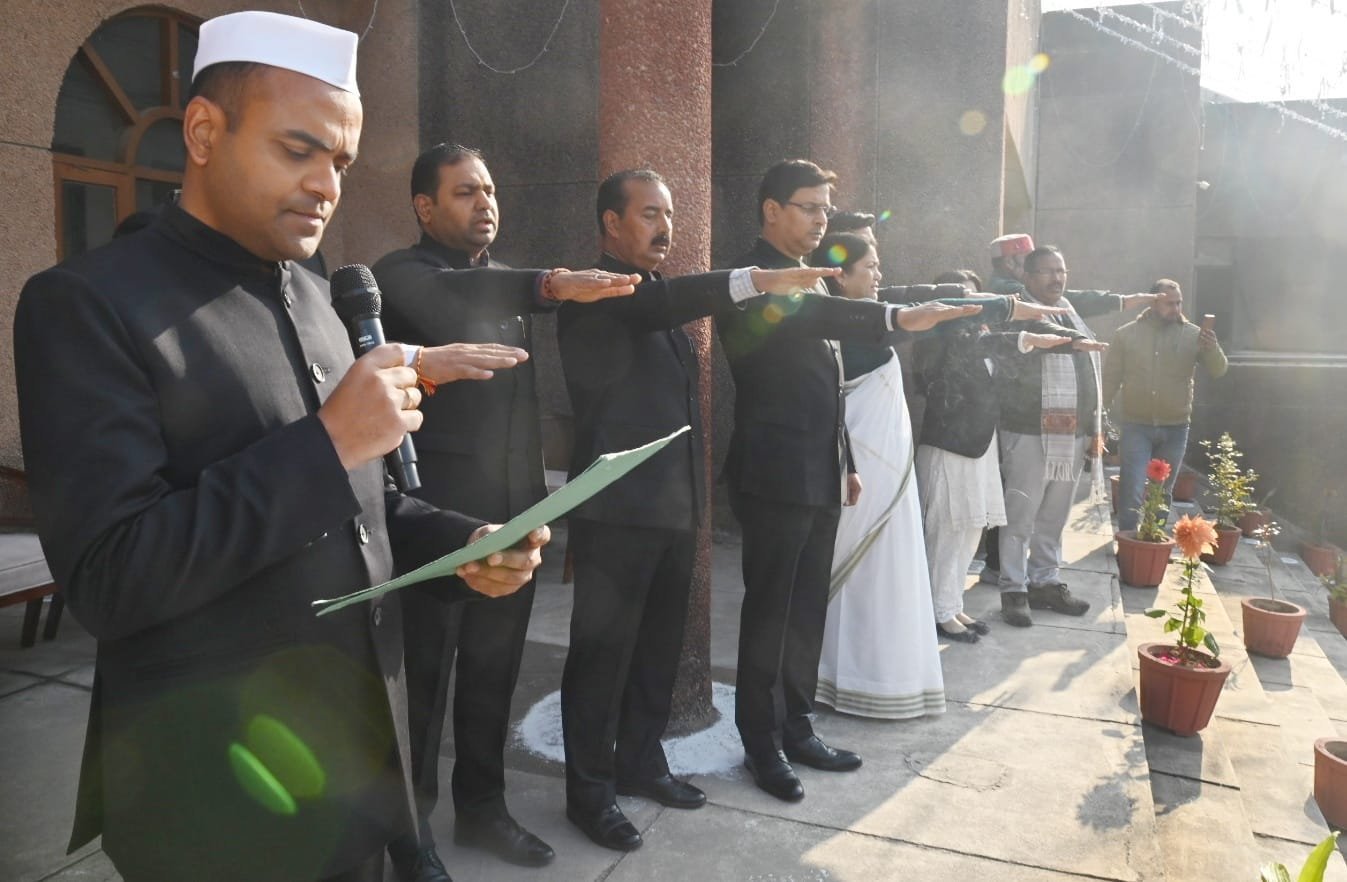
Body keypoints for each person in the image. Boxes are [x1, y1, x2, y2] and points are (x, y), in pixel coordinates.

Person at [12, 12, 548, 882]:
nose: (325, 185)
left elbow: (358, 505)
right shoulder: (87, 304)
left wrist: (461, 545)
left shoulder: (317, 296)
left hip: (358, 773)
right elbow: (110, 576)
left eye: (340, 162)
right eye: (298, 150)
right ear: (202, 132)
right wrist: (329, 443)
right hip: (214, 804)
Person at [717, 159, 1058, 801]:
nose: (821, 220)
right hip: (773, 473)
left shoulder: (813, 279)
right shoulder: (756, 279)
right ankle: (760, 743)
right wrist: (900, 319)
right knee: (771, 613)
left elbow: (831, 389)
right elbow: (828, 321)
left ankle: (797, 727)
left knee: (807, 609)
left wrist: (845, 461)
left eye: (826, 209)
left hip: (821, 468)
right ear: (771, 210)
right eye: (809, 208)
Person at [371, 145, 639, 880]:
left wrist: (536, 514)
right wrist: (551, 283)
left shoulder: (511, 284)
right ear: (425, 206)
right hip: (432, 526)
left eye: (489, 190)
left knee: (492, 676)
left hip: (511, 523)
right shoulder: (400, 276)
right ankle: (410, 837)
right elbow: (452, 299)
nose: (485, 203)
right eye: (465, 192)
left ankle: (483, 810)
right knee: (422, 688)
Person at [556, 169, 841, 851]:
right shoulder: (594, 292)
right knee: (601, 658)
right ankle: (588, 794)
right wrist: (752, 280)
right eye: (649, 214)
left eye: (669, 214)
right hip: (616, 513)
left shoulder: (656, 298)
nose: (665, 228)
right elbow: (657, 305)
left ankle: (641, 761)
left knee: (657, 649)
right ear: (611, 224)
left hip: (672, 508)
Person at [913, 270, 1102, 643]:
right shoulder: (937, 339)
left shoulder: (978, 334)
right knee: (947, 531)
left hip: (979, 446)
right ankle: (936, 612)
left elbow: (1005, 345)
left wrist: (1053, 340)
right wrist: (1025, 337)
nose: (974, 306)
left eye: (977, 298)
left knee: (969, 531)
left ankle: (950, 604)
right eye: (965, 299)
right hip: (951, 447)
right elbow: (982, 348)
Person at [995, 245, 1153, 627]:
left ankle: (1045, 583)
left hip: (1070, 435)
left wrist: (1091, 428)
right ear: (1027, 277)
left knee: (1054, 516)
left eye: (1062, 270)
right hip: (1029, 431)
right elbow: (1027, 349)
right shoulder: (1018, 313)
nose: (1057, 278)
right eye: (1048, 271)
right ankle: (1013, 589)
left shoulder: (1069, 309)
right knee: (1020, 516)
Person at [1103, 279, 1227, 531]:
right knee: (1132, 486)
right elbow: (1110, 379)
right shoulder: (1126, 335)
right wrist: (1099, 416)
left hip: (1176, 428)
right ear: (1153, 303)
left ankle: (1155, 538)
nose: (1176, 308)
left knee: (1162, 491)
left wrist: (1212, 349)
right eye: (1169, 303)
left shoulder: (1194, 335)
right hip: (1136, 425)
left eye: (1179, 303)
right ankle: (1127, 539)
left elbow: (1219, 370)